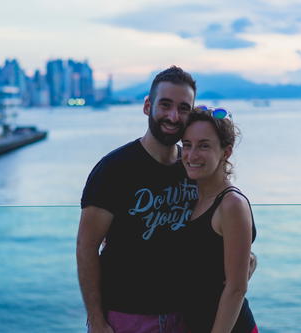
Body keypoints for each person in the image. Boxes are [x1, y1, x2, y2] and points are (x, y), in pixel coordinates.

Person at [77, 66, 198, 333]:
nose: (173, 116)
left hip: (186, 315)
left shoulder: (194, 169)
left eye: (183, 108)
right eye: (165, 105)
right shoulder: (113, 170)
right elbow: (86, 249)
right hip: (126, 317)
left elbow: (215, 223)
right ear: (147, 106)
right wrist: (97, 321)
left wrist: (245, 254)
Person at [179, 107, 258, 333]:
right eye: (187, 144)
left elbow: (236, 289)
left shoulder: (231, 204)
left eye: (204, 145)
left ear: (226, 152)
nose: (192, 155)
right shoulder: (190, 194)